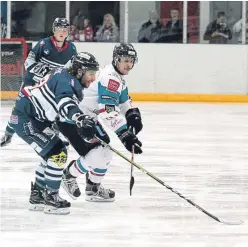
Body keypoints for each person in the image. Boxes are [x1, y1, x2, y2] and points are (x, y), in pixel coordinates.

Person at [8, 52, 99, 215]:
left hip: (35, 117)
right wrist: (79, 118)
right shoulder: (66, 81)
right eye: (91, 74)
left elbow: (61, 110)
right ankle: (51, 198)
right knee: (57, 154)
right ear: (79, 71)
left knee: (55, 150)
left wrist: (79, 122)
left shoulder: (66, 75)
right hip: (27, 119)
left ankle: (38, 195)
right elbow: (65, 103)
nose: (93, 79)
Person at [60, 43, 143, 202]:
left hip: (89, 119)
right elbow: (108, 110)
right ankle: (68, 175)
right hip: (74, 119)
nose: (129, 64)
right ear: (116, 59)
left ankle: (93, 188)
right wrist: (124, 134)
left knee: (105, 152)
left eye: (131, 60)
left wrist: (133, 115)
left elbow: (124, 101)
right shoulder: (110, 78)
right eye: (125, 60)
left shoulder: (117, 78)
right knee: (97, 154)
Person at [1, 17, 77, 147]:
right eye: (59, 29)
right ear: (54, 30)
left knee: (53, 109)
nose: (62, 32)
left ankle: (55, 134)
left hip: (49, 86)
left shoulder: (72, 48)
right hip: (32, 82)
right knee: (19, 109)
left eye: (65, 29)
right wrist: (44, 72)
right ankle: (8, 134)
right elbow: (28, 62)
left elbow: (71, 69)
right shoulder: (43, 44)